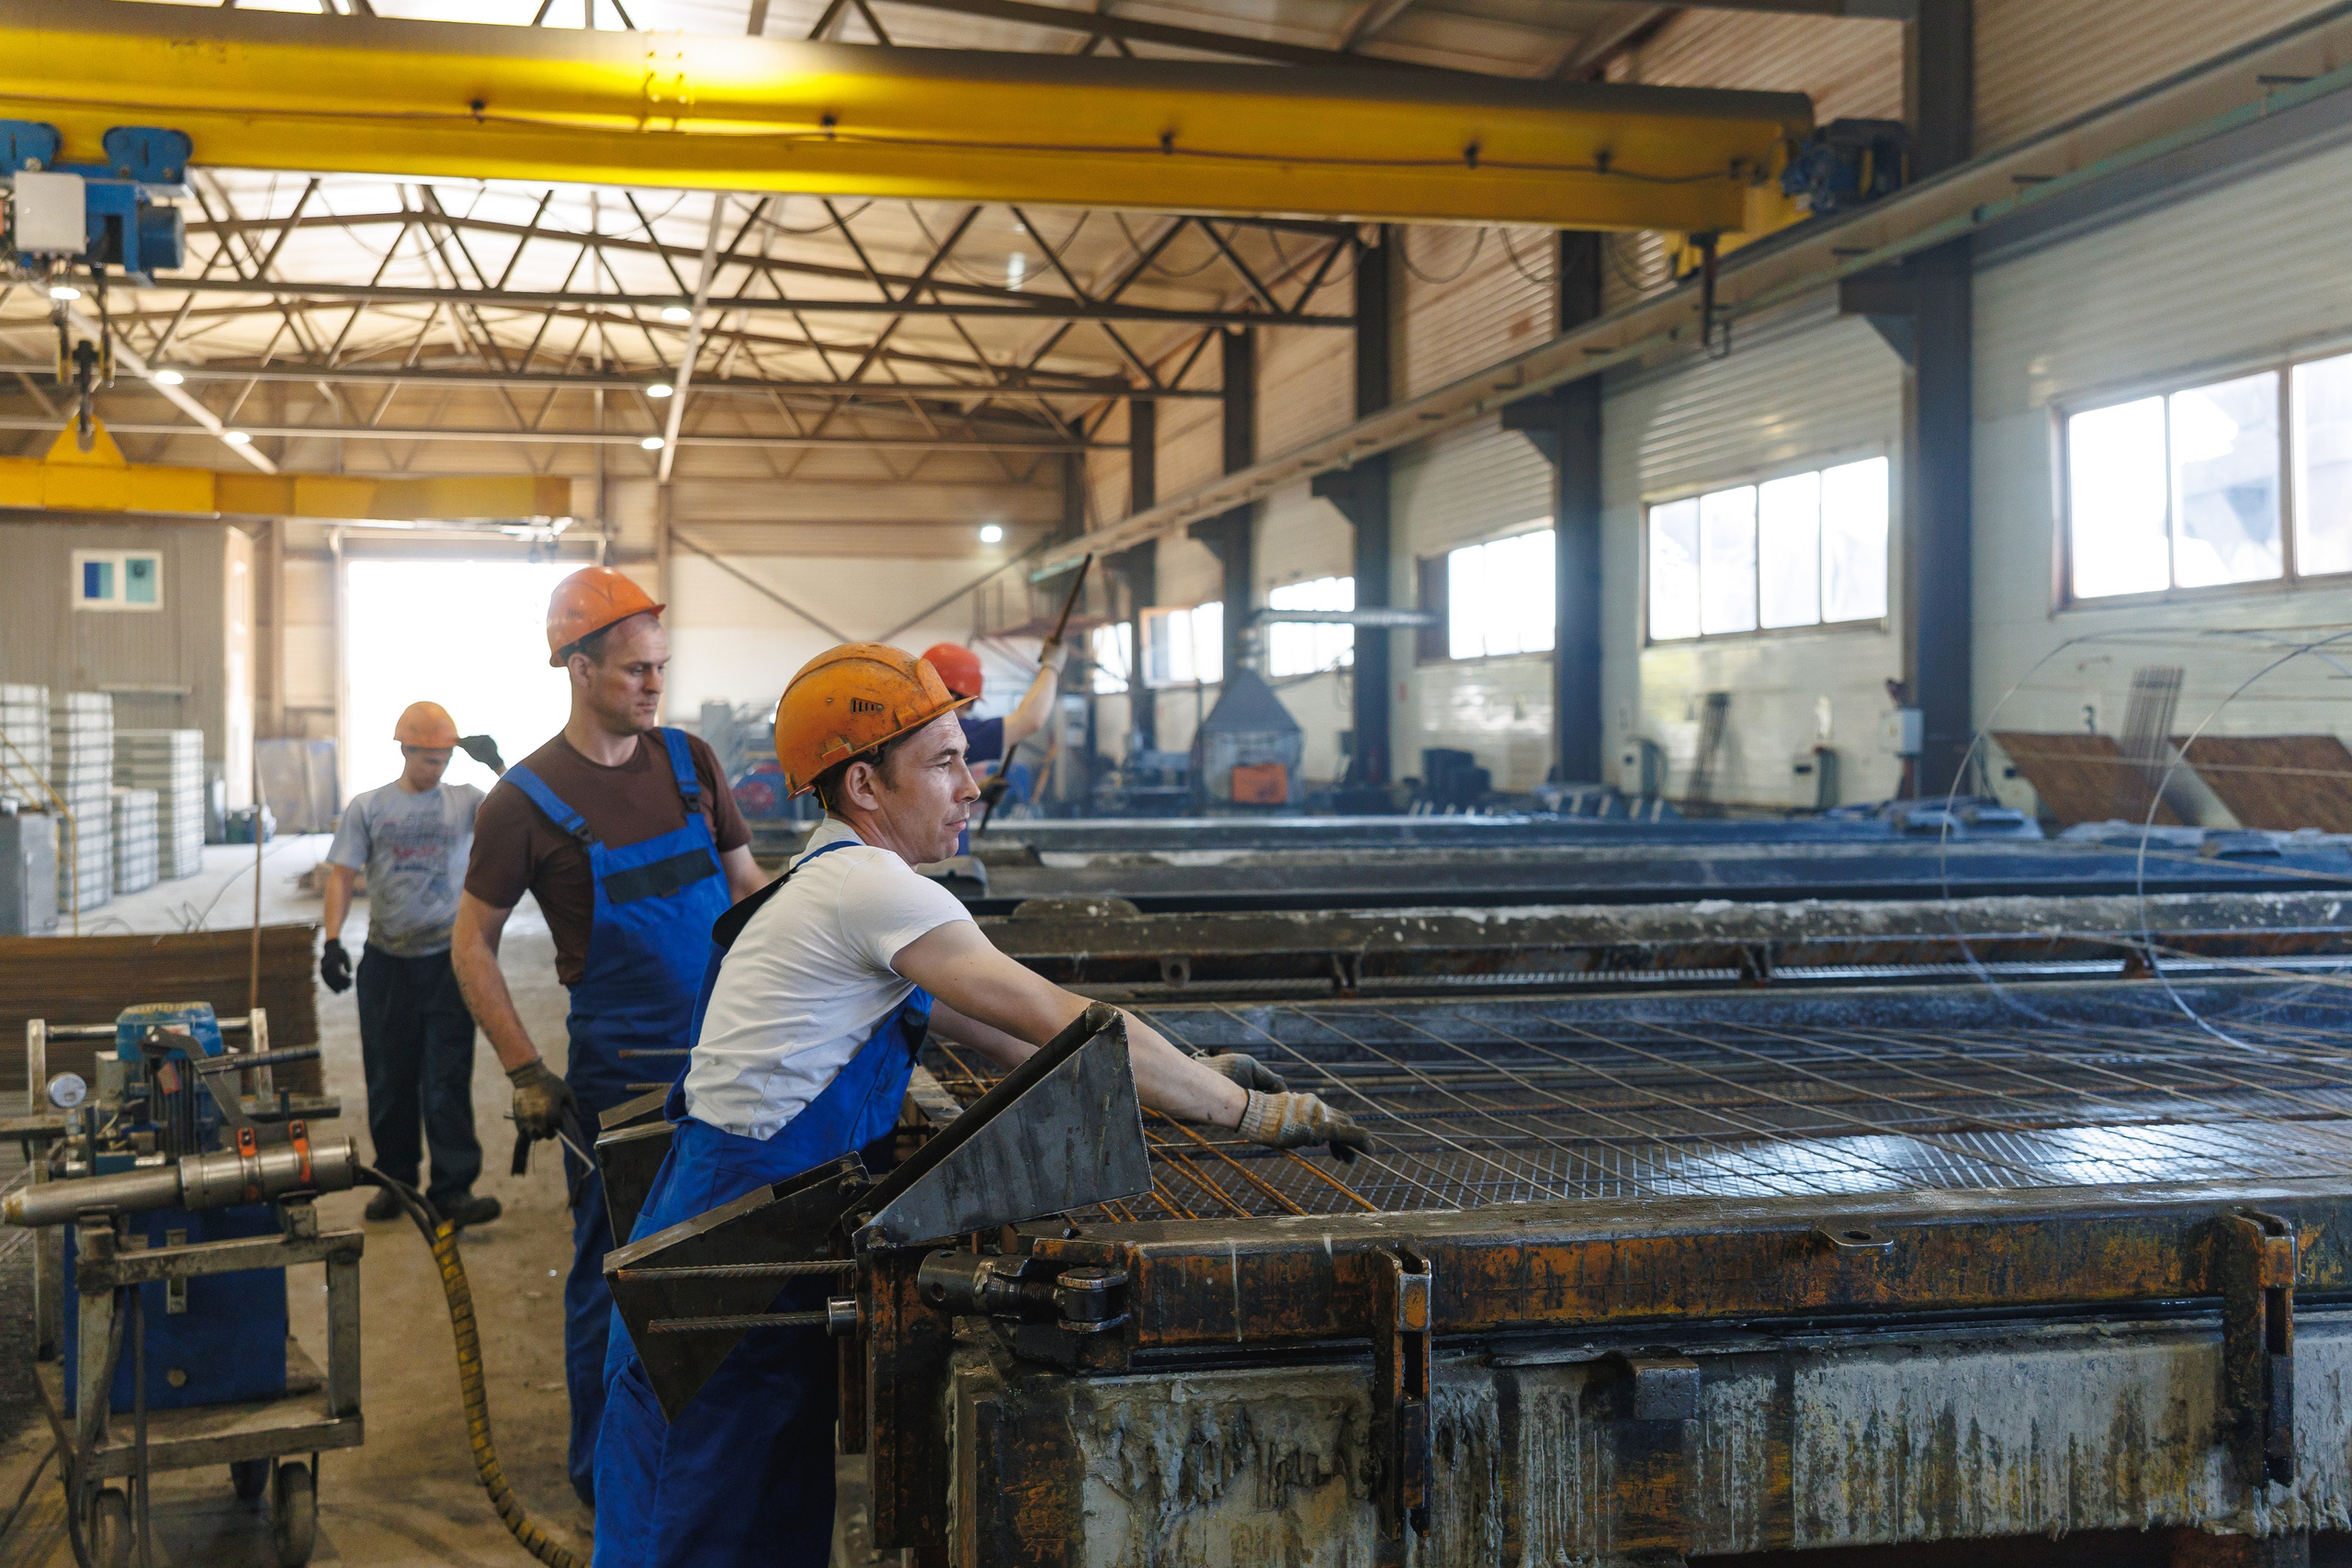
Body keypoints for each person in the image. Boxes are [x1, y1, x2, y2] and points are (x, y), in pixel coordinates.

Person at [591, 643, 1368, 1566]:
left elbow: (1031, 1042)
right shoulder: (870, 888)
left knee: (764, 1514)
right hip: (731, 1268)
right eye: (945, 762)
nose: (972, 786)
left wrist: (1199, 1072)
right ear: (866, 787)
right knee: (695, 1524)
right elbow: (1067, 1018)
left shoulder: (833, 877)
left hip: (754, 1239)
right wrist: (1248, 1116)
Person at [448, 566, 767, 1509]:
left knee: (732, 1265)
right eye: (633, 670)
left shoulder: (692, 763)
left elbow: (750, 895)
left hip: (733, 1063)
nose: (653, 686)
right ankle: (605, 1472)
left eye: (660, 668)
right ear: (577, 666)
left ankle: (708, 1454)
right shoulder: (524, 802)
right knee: (616, 1277)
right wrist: (524, 1069)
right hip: (620, 1083)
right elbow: (471, 943)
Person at [320, 701, 502, 1230]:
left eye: (446, 758)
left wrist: (498, 768)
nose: (438, 768)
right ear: (405, 750)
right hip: (387, 965)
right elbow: (341, 875)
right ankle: (396, 1182)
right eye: (428, 759)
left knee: (446, 1079)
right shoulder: (369, 807)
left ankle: (452, 1191)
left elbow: (523, 811)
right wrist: (332, 942)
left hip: (449, 962)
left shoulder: (469, 802)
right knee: (389, 1079)